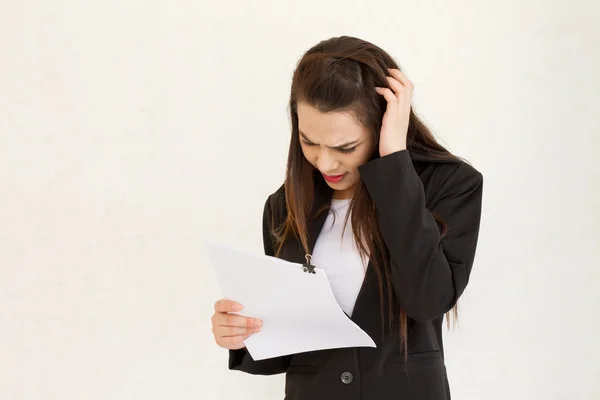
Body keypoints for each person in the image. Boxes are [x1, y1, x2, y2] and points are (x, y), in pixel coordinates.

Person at [210, 36, 483, 400]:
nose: (325, 163)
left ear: (386, 122)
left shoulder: (450, 185)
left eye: (345, 147)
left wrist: (394, 163)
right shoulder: (285, 204)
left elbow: (427, 301)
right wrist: (240, 333)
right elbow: (287, 347)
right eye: (309, 142)